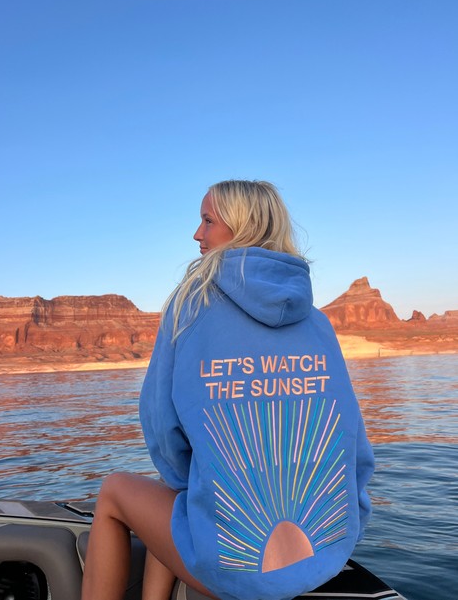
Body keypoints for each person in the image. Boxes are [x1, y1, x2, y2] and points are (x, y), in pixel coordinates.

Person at [81, 180, 375, 600]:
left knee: (117, 490)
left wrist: (193, 480)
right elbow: (354, 444)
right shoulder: (317, 322)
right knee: (186, 489)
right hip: (325, 554)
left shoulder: (189, 308)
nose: (196, 234)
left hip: (234, 571)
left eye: (207, 221)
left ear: (243, 225)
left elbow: (163, 433)